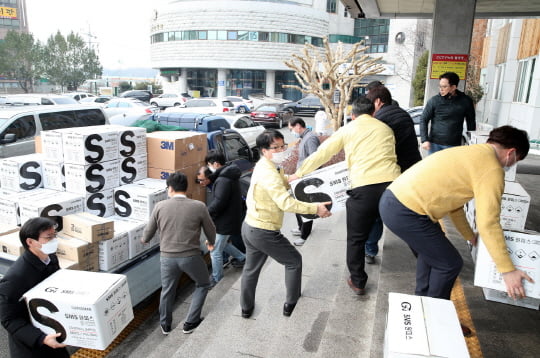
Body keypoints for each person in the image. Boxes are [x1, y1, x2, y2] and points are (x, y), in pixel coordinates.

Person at [379, 125, 533, 303]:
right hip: (407, 211)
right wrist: (507, 270)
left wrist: (470, 236)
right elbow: (488, 222)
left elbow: (455, 206)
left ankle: (422, 303)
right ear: (511, 153)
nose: (512, 164)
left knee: (432, 253)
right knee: (449, 264)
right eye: (516, 160)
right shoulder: (492, 169)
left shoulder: (470, 152)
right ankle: (436, 316)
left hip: (395, 200)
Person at [289, 96, 400, 295]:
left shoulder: (348, 129)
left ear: (352, 115)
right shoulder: (385, 128)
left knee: (356, 238)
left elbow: (323, 153)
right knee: (404, 226)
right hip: (394, 186)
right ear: (373, 112)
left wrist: (300, 173)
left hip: (364, 187)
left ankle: (358, 281)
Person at [240, 129, 331, 318]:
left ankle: (246, 308)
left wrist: (293, 178)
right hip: (264, 230)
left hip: (250, 226)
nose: (282, 150)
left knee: (250, 270)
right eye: (276, 148)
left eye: (283, 146)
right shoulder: (268, 172)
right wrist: (315, 208)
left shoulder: (269, 165)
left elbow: (282, 180)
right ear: (264, 150)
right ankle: (291, 303)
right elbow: (285, 202)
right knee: (293, 261)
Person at [141, 172, 216, 335]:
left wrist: (144, 239)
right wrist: (211, 242)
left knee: (168, 289)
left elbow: (148, 233)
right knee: (203, 283)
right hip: (191, 256)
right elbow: (211, 230)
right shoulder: (198, 206)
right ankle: (190, 322)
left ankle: (165, 325)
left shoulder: (160, 206)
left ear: (171, 189)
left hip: (167, 257)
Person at [364, 84, 422, 263]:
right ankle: (422, 249)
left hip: (392, 172)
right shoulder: (401, 113)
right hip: (411, 170)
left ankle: (370, 249)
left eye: (370, 103)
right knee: (412, 210)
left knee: (376, 213)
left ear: (378, 101)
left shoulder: (381, 120)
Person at [0, 217, 70, 358]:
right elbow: (9, 319)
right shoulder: (16, 277)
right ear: (30, 242)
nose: (54, 240)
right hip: (32, 346)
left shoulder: (51, 259)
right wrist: (41, 338)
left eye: (55, 235)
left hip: (52, 330)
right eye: (49, 237)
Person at [205, 150, 246, 286]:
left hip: (225, 220)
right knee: (223, 244)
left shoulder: (223, 179)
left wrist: (206, 213)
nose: (208, 167)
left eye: (209, 164)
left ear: (216, 164)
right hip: (231, 218)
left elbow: (219, 202)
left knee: (215, 251)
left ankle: (217, 278)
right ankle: (242, 257)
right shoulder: (228, 175)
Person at [420, 71, 476, 154]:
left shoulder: (466, 101)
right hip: (434, 144)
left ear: (453, 87)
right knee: (434, 167)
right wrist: (424, 140)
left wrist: (472, 142)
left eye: (444, 87)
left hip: (453, 146)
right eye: (440, 86)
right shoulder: (434, 101)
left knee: (450, 167)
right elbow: (423, 119)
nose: (441, 89)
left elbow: (471, 122)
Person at [288, 117, 321, 246]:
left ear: (298, 126)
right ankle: (300, 227)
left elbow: (315, 160)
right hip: (301, 177)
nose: (291, 132)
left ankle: (304, 235)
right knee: (298, 205)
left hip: (307, 179)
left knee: (305, 207)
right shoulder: (304, 137)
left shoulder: (311, 138)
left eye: (291, 129)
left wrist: (309, 178)